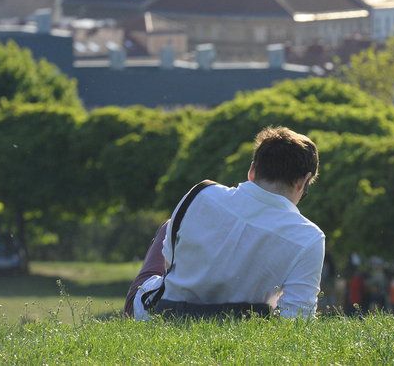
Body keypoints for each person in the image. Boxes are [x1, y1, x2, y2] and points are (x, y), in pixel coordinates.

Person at [124, 126, 324, 320]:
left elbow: (169, 263)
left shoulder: (200, 194)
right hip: (241, 326)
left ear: (252, 170)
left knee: (169, 226)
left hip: (163, 312)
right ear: (303, 181)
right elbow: (297, 317)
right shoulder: (309, 237)